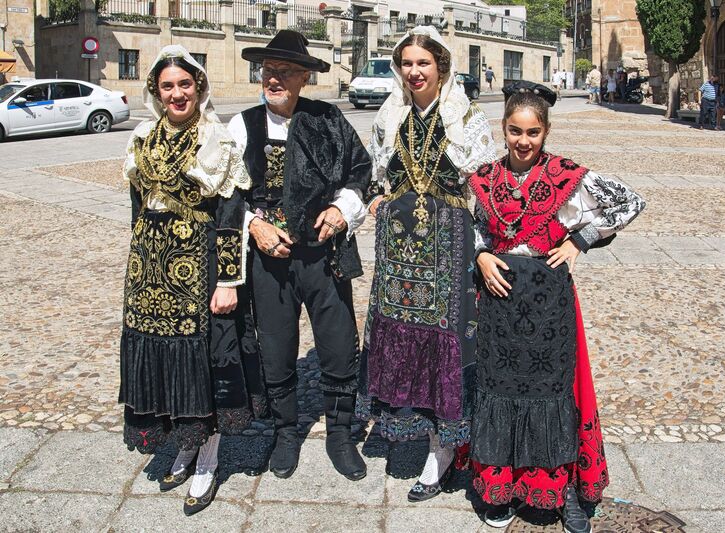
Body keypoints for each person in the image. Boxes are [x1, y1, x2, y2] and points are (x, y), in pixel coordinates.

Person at [467, 86, 645, 530]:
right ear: (502, 129)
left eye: (532, 132)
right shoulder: (486, 176)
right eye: (514, 131)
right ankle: (502, 488)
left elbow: (629, 201)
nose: (523, 141)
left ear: (545, 131)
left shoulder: (567, 175)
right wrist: (481, 255)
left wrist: (579, 241)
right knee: (502, 390)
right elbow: (471, 225)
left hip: (549, 303)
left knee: (554, 392)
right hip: (498, 299)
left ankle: (562, 489)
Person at [120, 45, 263, 515]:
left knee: (204, 362)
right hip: (149, 271)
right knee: (165, 366)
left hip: (198, 267)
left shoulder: (216, 141)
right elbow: (138, 208)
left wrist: (227, 281)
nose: (177, 94)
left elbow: (230, 215)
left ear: (199, 87)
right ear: (156, 93)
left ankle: (208, 457)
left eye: (185, 84)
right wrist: (138, 263)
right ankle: (184, 441)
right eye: (168, 87)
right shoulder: (143, 137)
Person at [357, 26, 496, 502]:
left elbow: (484, 189)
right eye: (407, 64)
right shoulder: (391, 114)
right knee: (402, 336)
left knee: (445, 343)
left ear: (441, 67)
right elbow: (381, 172)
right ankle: (416, 432)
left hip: (448, 248)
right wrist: (378, 199)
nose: (414, 72)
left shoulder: (465, 117)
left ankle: (442, 454)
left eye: (423, 63)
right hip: (398, 251)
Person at [227, 30, 371, 482]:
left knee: (338, 342)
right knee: (275, 346)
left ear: (304, 78)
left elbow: (360, 173)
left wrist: (340, 209)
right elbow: (228, 193)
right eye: (269, 70)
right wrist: (255, 224)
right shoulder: (242, 126)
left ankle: (340, 433)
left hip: (322, 257)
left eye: (285, 71)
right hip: (270, 260)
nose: (274, 78)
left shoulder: (328, 120)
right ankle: (285, 431)